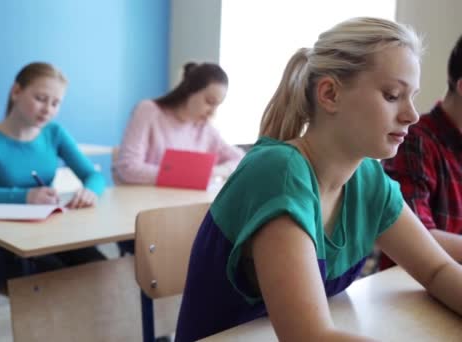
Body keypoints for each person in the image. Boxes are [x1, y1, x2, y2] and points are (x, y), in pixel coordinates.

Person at [175, 17, 462, 342]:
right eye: (393, 95)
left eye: (413, 96)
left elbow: (437, 270)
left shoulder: (368, 179)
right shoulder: (280, 174)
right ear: (329, 94)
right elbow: (308, 336)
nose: (412, 114)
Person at [0, 62, 106, 280]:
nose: (48, 110)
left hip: (53, 232)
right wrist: (25, 196)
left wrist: (90, 192)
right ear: (16, 92)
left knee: (100, 268)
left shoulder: (54, 133)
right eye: (41, 99)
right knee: (59, 279)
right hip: (9, 245)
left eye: (56, 103)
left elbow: (94, 176)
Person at [381, 35, 462, 269]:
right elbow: (417, 238)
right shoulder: (413, 140)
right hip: (410, 289)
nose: (410, 114)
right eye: (392, 95)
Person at [113, 62, 245, 185]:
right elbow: (127, 167)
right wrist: (187, 175)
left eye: (217, 105)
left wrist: (215, 172)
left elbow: (241, 158)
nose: (212, 113)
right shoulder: (148, 111)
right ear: (190, 90)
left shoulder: (205, 130)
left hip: (185, 202)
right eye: (209, 102)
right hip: (146, 201)